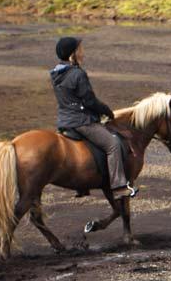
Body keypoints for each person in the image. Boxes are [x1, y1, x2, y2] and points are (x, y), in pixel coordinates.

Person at [50, 37, 135, 197]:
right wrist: (107, 111)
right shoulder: (78, 74)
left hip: (64, 121)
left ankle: (82, 186)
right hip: (81, 121)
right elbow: (89, 100)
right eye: (79, 50)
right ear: (71, 55)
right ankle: (118, 186)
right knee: (113, 144)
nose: (82, 53)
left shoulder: (55, 74)